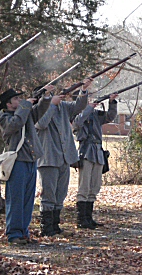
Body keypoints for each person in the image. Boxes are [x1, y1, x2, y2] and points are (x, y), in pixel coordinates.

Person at [35, 78, 93, 237]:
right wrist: (51, 105)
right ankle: (46, 227)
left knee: (60, 193)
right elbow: (42, 124)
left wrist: (83, 90)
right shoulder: (38, 110)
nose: (53, 96)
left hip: (64, 157)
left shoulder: (63, 107)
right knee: (49, 194)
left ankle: (55, 224)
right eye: (48, 94)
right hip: (48, 157)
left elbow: (78, 107)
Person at [0, 85, 54, 245]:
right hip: (17, 162)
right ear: (8, 104)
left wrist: (46, 96)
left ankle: (24, 231)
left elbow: (39, 111)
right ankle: (14, 233)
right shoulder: (5, 117)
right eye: (16, 99)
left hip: (30, 160)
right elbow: (16, 123)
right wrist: (25, 105)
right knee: (16, 199)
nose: (20, 100)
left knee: (28, 199)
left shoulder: (25, 112)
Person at [72, 93, 118, 229]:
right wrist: (89, 108)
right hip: (86, 151)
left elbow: (109, 117)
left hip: (97, 151)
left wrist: (112, 102)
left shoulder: (95, 114)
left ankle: (88, 218)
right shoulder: (77, 114)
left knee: (94, 186)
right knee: (84, 186)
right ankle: (81, 219)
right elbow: (78, 123)